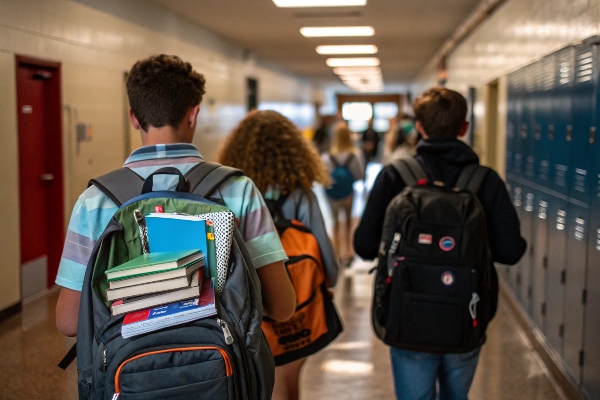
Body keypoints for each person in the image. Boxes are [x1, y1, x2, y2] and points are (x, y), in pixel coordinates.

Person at [55, 54, 296, 338]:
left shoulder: (95, 201)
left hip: (131, 375)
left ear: (134, 117)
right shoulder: (237, 189)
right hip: (219, 371)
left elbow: (69, 322)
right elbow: (281, 307)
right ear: (193, 114)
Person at [353, 87, 526, 399]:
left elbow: (364, 246)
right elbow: (510, 252)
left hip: (407, 314)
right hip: (467, 312)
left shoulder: (395, 175)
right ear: (464, 127)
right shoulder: (485, 181)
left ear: (419, 127)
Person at [217, 109, 338, 400]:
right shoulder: (300, 193)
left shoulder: (232, 191)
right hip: (295, 300)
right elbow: (327, 260)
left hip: (244, 303)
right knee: (288, 383)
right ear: (293, 150)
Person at [322, 122, 364, 266]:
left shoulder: (327, 157)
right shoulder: (354, 156)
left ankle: (336, 253)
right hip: (348, 193)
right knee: (348, 221)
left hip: (332, 195)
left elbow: (324, 178)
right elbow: (359, 176)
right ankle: (348, 253)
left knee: (335, 223)